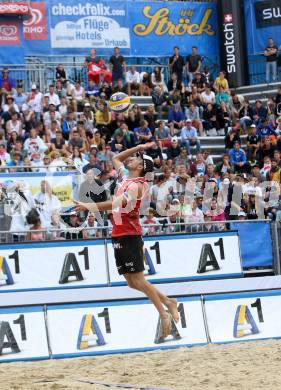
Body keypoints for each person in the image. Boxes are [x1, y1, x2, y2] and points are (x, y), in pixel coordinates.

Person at [74, 143, 179, 337]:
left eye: (137, 158)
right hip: (118, 232)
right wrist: (137, 146)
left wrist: (91, 206)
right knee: (131, 283)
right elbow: (116, 158)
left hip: (130, 234)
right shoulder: (125, 178)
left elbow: (118, 203)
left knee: (139, 279)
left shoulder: (138, 185)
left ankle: (164, 313)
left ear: (140, 167)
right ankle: (169, 301)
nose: (132, 158)